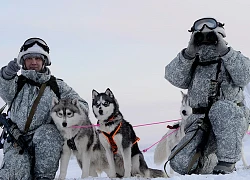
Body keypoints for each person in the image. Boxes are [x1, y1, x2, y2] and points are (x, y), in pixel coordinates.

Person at [164, 17, 250, 175]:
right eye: (200, 36)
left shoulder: (231, 59)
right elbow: (172, 77)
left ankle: (227, 162)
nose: (206, 40)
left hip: (230, 120)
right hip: (200, 122)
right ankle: (210, 163)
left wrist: (225, 52)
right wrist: (188, 54)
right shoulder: (193, 62)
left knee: (221, 108)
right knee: (179, 162)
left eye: (211, 35)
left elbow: (244, 76)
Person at [0, 38, 89, 180]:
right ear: (23, 61)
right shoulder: (17, 84)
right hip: (17, 141)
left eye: (37, 58)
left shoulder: (57, 86)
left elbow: (82, 106)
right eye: (29, 58)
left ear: (44, 61)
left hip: (45, 140)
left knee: (49, 133)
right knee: (14, 175)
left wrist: (66, 118)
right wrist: (7, 73)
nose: (33, 62)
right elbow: (3, 86)